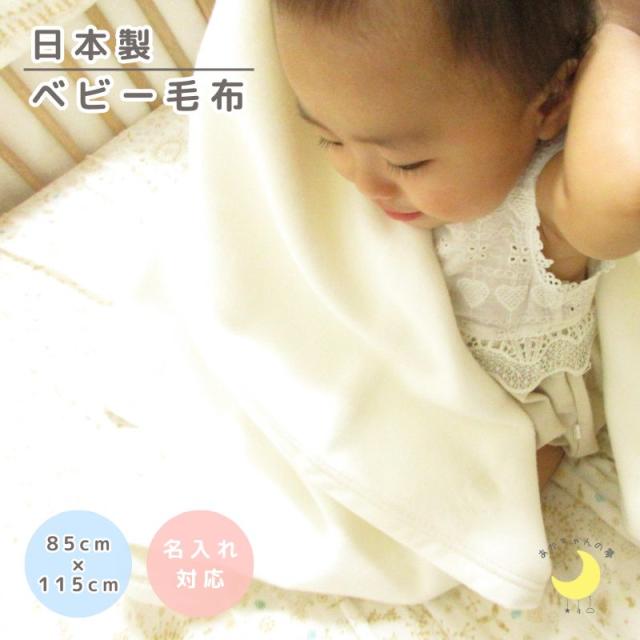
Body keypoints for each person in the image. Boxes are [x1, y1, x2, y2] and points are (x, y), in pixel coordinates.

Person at [270, 0, 640, 489]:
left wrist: (620, 27)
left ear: (550, 103)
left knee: (454, 494)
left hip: (507, 416)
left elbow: (624, 193)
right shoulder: (381, 125)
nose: (364, 182)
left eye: (406, 163)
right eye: (329, 140)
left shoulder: (545, 202)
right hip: (391, 371)